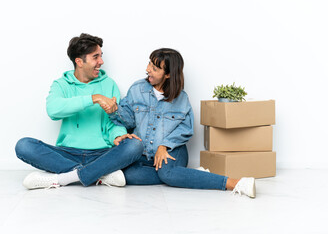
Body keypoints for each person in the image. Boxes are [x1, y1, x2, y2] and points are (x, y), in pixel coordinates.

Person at [102, 48, 256, 198]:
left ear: (168, 74)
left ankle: (234, 183)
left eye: (155, 68)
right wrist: (115, 110)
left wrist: (164, 146)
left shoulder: (181, 98)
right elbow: (129, 120)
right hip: (145, 153)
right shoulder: (137, 89)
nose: (148, 69)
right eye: (149, 64)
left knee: (166, 173)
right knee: (126, 175)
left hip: (173, 149)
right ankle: (191, 175)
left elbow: (185, 129)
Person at [15, 33, 143, 190]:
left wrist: (117, 136)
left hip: (103, 154)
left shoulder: (109, 84)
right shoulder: (61, 85)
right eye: (95, 57)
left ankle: (65, 178)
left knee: (135, 145)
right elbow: (53, 110)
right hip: (66, 153)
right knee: (24, 145)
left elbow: (113, 121)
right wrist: (93, 98)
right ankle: (100, 175)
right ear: (79, 61)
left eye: (101, 56)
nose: (101, 62)